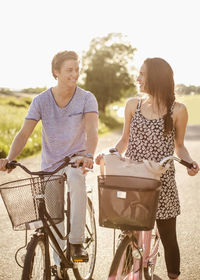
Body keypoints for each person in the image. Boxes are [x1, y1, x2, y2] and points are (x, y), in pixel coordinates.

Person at [96, 57, 199, 280]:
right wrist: (108, 153)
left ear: (156, 78)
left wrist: (190, 163)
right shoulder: (134, 105)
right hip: (133, 179)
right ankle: (129, 270)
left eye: (142, 74)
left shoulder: (177, 110)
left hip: (161, 182)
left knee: (168, 236)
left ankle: (173, 276)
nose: (137, 78)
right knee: (129, 233)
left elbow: (179, 147)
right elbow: (123, 141)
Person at [0, 51, 98, 272]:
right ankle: (58, 265)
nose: (75, 73)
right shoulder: (41, 101)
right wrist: (10, 159)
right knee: (53, 216)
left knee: (75, 178)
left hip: (76, 161)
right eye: (69, 70)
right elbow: (24, 133)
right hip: (51, 165)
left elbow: (92, 131)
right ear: (56, 72)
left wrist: (89, 155)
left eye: (77, 68)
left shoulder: (86, 98)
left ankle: (77, 244)